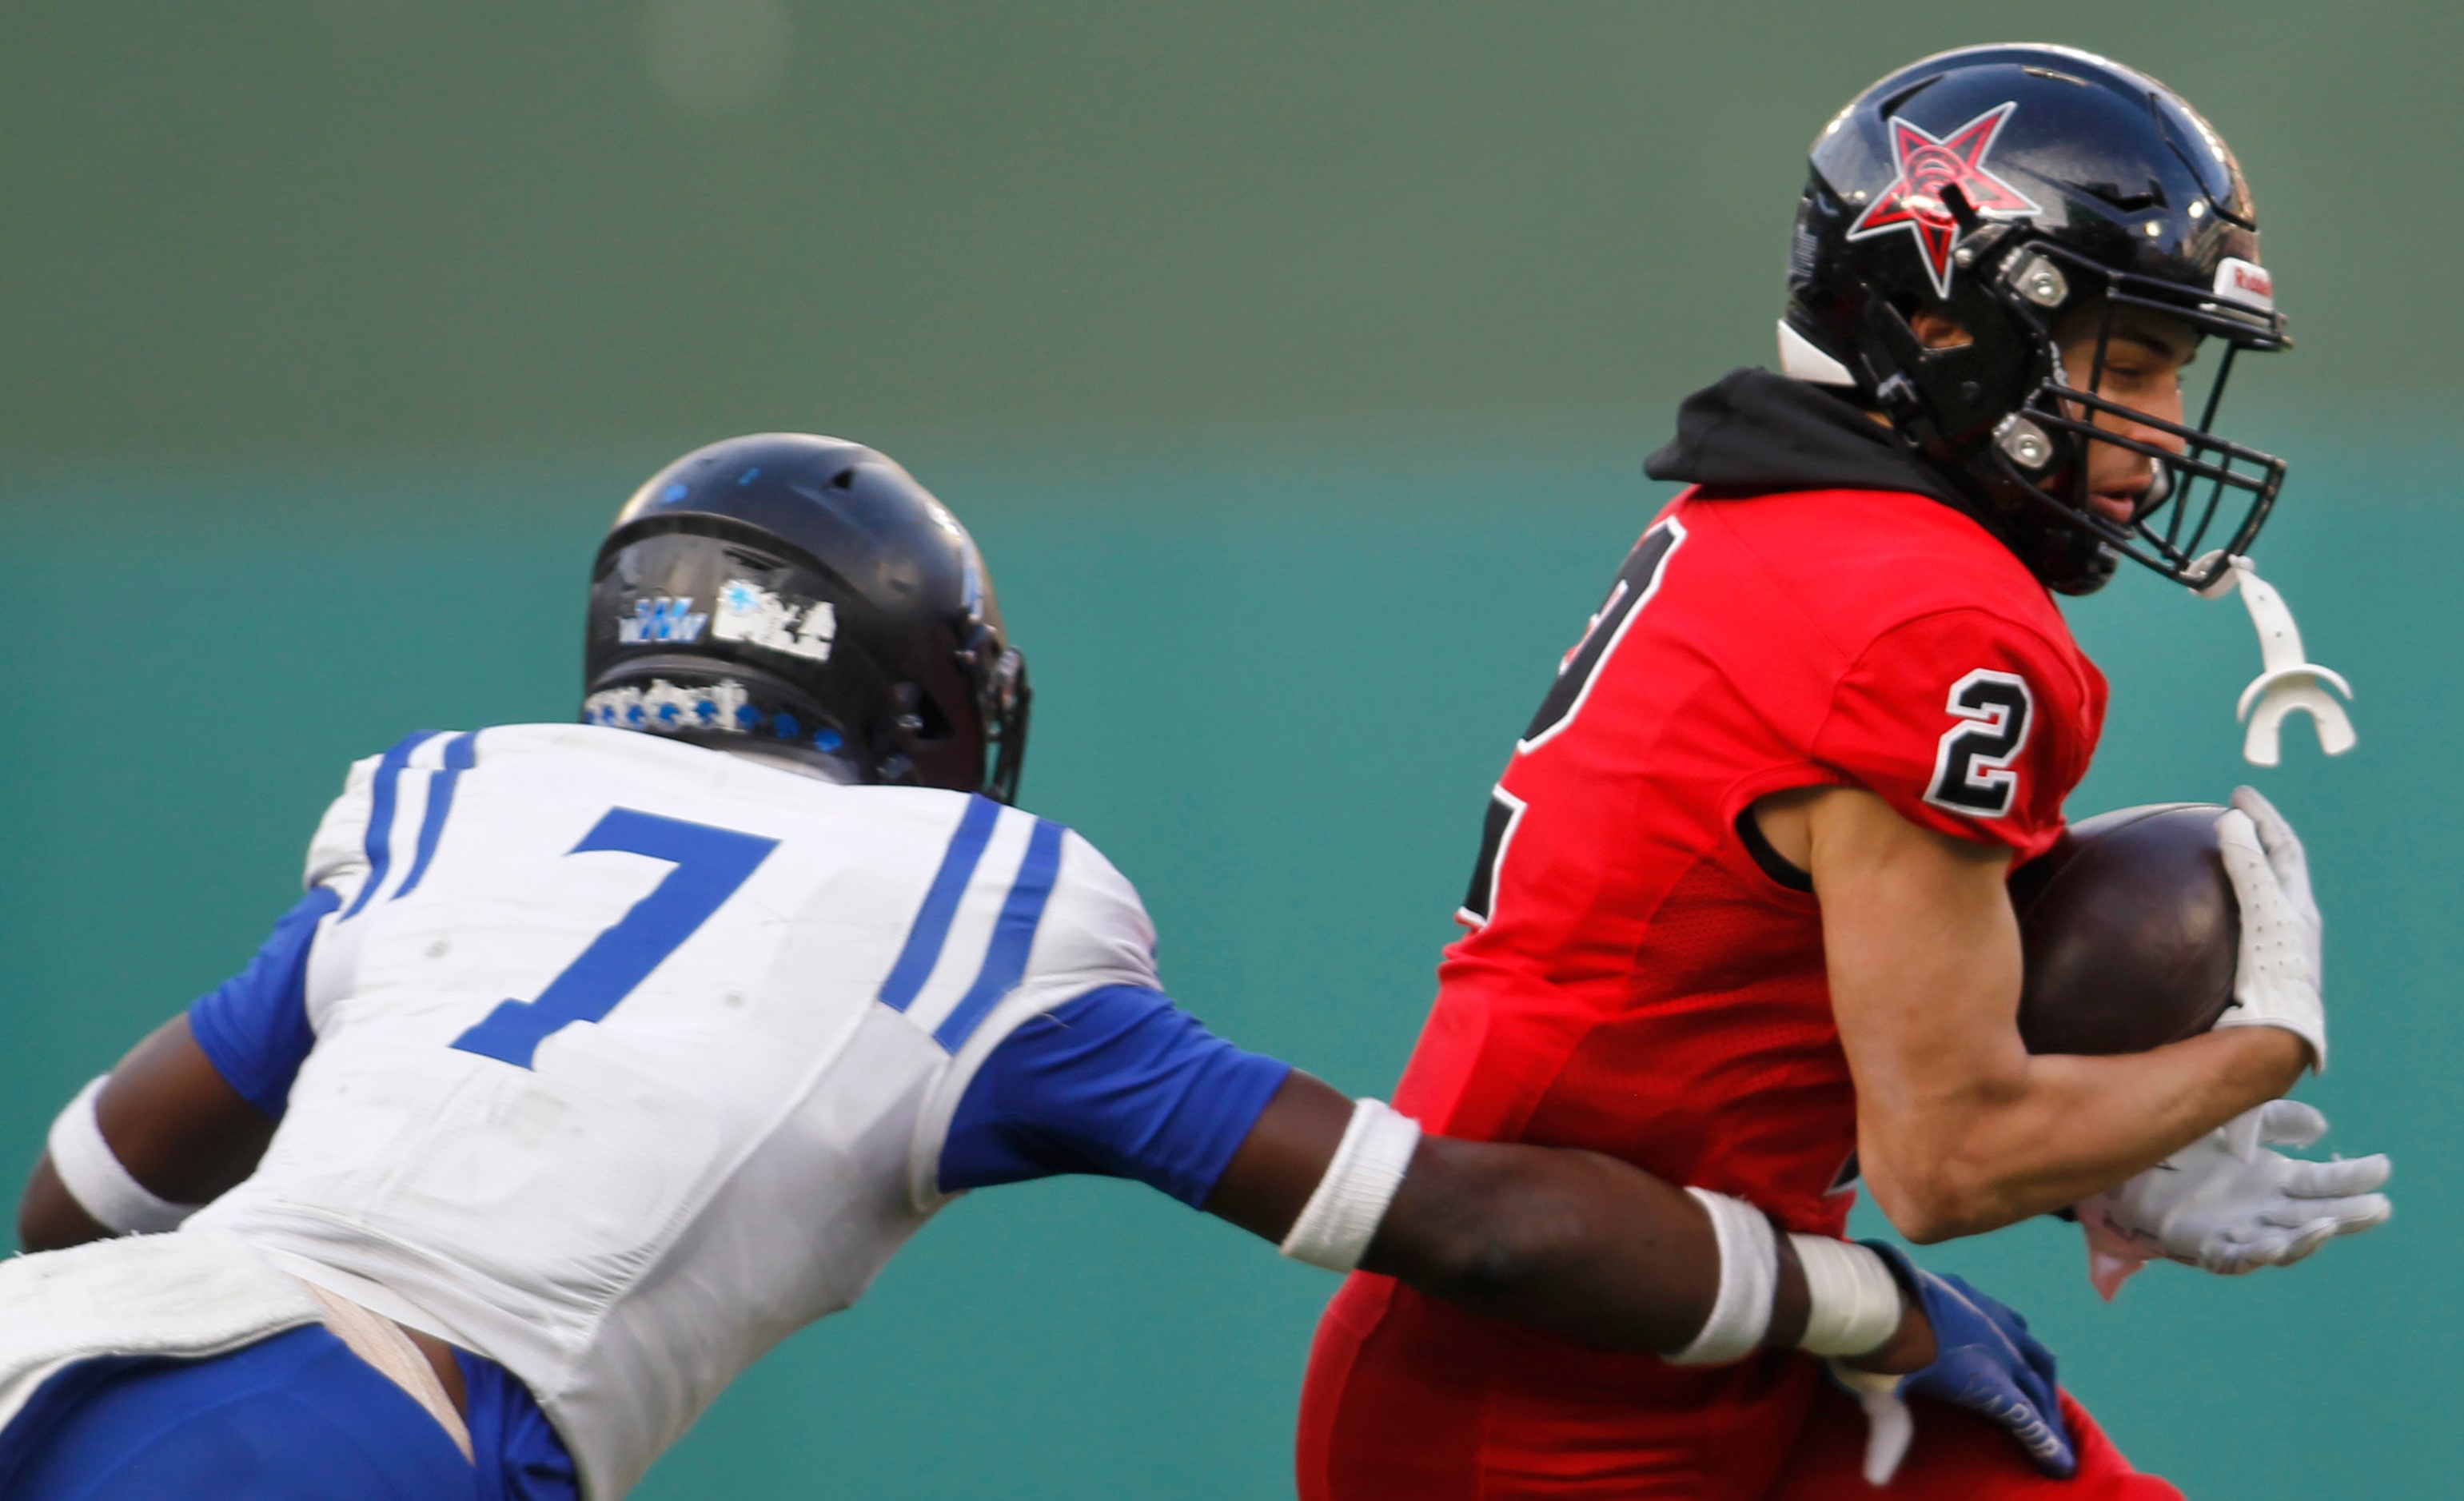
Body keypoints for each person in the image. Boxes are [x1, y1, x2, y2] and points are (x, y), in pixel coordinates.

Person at [2, 433, 2058, 1499]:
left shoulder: (455, 808)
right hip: (349, 1440)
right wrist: (1859, 1296)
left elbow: (93, 1176)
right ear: (914, 687)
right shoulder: (975, 912)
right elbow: (1467, 1225)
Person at [1297, 44, 2392, 1500]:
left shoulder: (1774, 518)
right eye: (2127, 366)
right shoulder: (1932, 620)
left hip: (1712, 1314)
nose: (2160, 435)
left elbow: (1766, 981)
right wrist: (2259, 1044)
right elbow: (1943, 1157)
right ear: (1951, 334)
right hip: (1545, 1402)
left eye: (2175, 373)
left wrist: (2092, 1147)